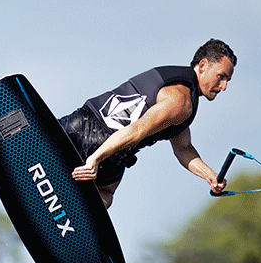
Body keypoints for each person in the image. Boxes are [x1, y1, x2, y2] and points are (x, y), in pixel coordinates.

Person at [59, 39, 235, 208]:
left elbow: (183, 148)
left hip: (82, 123)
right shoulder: (182, 101)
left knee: (102, 191)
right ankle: (61, 220)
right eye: (221, 77)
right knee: (104, 195)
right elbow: (137, 130)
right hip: (107, 145)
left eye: (227, 80)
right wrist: (95, 158)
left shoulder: (179, 87)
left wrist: (210, 176)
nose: (224, 86)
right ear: (203, 66)